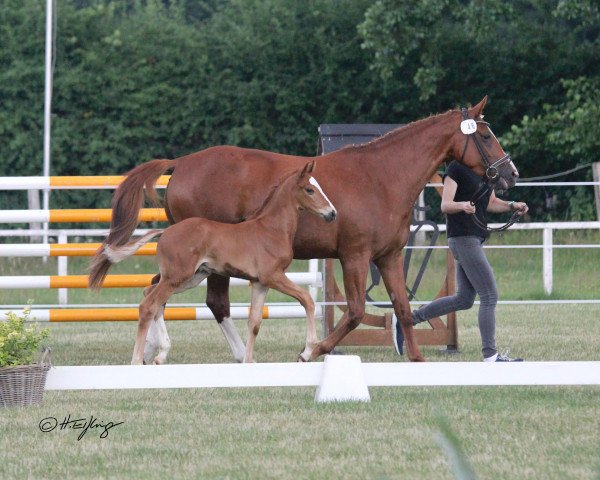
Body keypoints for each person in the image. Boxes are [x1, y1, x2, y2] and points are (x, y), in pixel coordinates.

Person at [392, 160, 528, 362]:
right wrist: (462, 205)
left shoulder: (483, 172)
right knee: (489, 295)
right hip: (463, 238)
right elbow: (445, 205)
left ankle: (407, 319)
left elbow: (490, 202)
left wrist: (511, 205)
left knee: (464, 299)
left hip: (473, 239)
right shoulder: (455, 170)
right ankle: (490, 355)